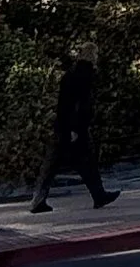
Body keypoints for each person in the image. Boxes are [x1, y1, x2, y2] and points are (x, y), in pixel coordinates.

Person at [29, 47, 114, 212]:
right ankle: (99, 195)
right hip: (75, 127)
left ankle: (38, 200)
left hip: (62, 125)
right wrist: (75, 128)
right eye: (95, 54)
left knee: (51, 165)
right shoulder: (85, 76)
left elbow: (63, 104)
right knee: (87, 162)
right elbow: (80, 104)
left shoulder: (70, 74)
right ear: (91, 57)